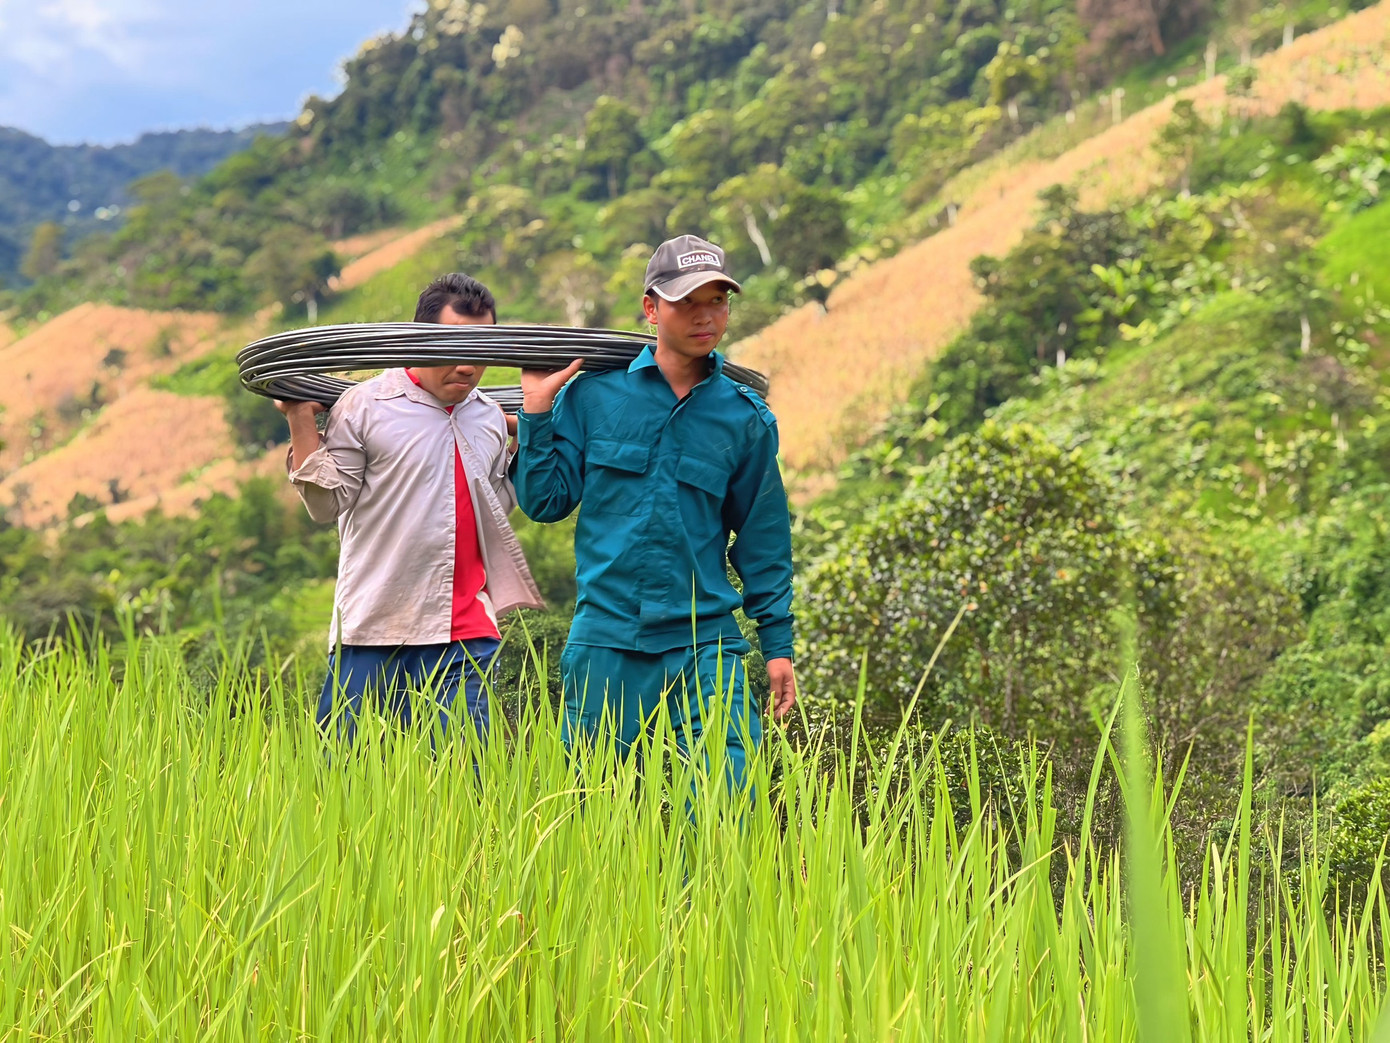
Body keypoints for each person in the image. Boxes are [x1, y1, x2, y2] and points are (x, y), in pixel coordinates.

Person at [512, 234, 797, 795]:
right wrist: (537, 411)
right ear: (651, 308)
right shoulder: (593, 396)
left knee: (727, 800)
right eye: (687, 301)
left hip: (704, 641)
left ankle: (712, 887)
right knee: (592, 810)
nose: (705, 316)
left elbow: (764, 540)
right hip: (607, 636)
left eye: (717, 301)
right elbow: (545, 501)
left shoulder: (744, 419)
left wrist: (778, 644)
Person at [277, 273, 543, 746]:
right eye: (453, 348)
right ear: (417, 341)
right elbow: (326, 503)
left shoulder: (487, 417)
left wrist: (533, 436)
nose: (467, 367)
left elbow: (497, 506)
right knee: (345, 775)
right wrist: (301, 416)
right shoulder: (366, 405)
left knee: (470, 776)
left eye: (480, 351)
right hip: (376, 623)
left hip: (466, 628)